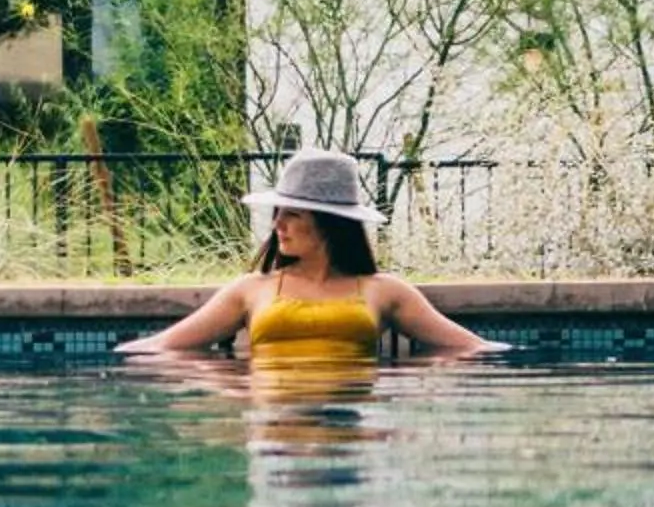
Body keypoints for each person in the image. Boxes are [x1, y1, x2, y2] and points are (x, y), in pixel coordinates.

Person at [116, 148, 504, 362]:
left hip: (347, 421)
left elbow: (469, 346)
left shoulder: (384, 291)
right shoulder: (251, 290)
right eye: (277, 214)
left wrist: (399, 385)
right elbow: (167, 344)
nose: (277, 225)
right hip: (277, 426)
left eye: (292, 215)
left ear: (329, 224)